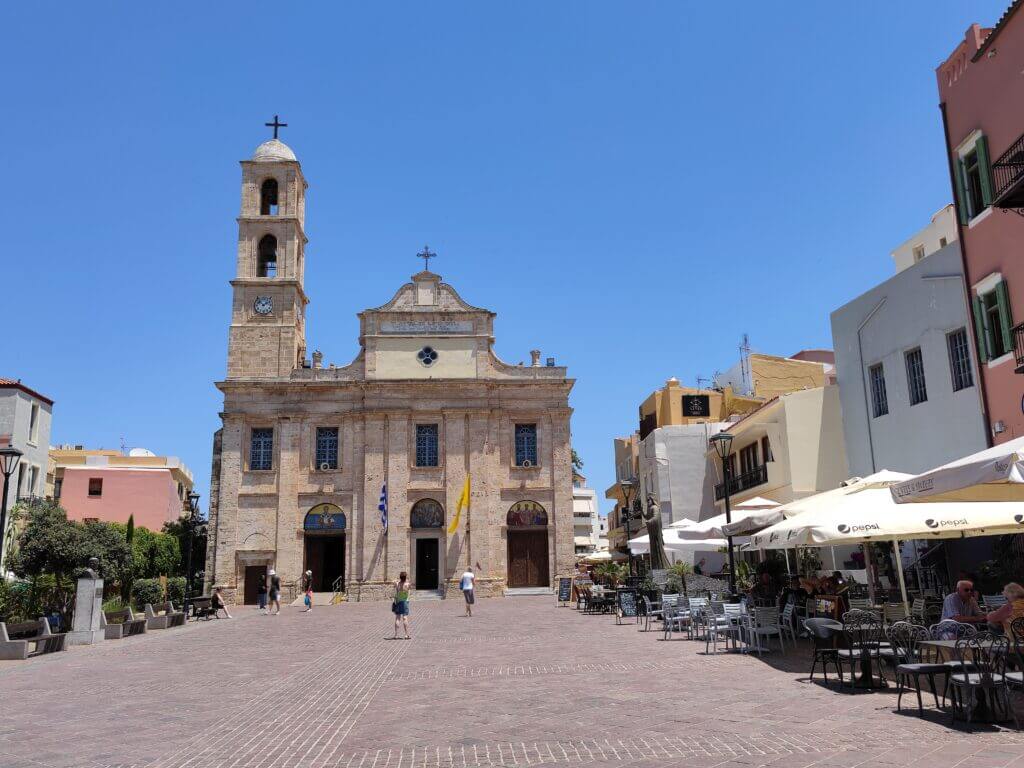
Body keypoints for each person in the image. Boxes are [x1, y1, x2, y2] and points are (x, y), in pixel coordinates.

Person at [392, 571, 411, 639]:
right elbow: (408, 590)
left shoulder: (397, 584)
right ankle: (406, 635)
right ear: (405, 577)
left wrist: (397, 580)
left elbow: (393, 582)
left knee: (397, 618)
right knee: (405, 618)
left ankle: (396, 635)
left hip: (398, 601)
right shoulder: (408, 584)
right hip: (405, 602)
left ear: (400, 577)